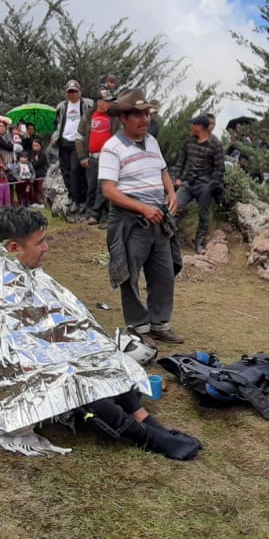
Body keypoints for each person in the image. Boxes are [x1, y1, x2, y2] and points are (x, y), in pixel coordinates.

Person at [0, 208, 202, 460]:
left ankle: (146, 420)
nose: (46, 248)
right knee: (74, 379)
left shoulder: (20, 267)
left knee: (101, 354)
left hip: (34, 350)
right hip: (0, 376)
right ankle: (146, 438)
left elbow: (52, 316)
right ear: (13, 248)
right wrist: (58, 356)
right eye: (40, 242)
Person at [99, 88, 184, 349]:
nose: (144, 119)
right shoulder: (112, 147)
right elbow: (109, 189)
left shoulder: (152, 142)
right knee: (130, 276)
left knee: (164, 273)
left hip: (159, 217)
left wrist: (171, 193)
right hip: (130, 221)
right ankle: (139, 327)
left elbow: (163, 171)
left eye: (147, 114)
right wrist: (142, 208)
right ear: (124, 118)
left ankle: (159, 324)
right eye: (138, 114)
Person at [174, 114, 224, 253]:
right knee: (174, 207)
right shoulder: (189, 142)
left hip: (205, 184)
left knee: (203, 215)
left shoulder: (215, 145)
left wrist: (211, 187)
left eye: (193, 124)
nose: (191, 127)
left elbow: (220, 170)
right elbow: (181, 161)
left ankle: (199, 244)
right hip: (188, 182)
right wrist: (178, 178)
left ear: (200, 127)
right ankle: (169, 239)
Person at [51, 80, 94, 217]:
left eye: (74, 91)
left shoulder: (88, 104)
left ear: (79, 91)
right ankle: (72, 196)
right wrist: (55, 136)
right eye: (69, 91)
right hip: (64, 140)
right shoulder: (62, 106)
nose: (72, 94)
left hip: (79, 141)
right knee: (66, 171)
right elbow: (58, 123)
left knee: (76, 169)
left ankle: (79, 199)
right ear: (66, 92)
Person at [84, 90, 115, 225]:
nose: (109, 103)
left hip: (107, 156)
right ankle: (90, 212)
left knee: (101, 186)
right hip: (92, 157)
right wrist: (81, 156)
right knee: (91, 186)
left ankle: (95, 214)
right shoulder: (89, 116)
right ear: (99, 102)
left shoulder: (115, 117)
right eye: (106, 101)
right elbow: (80, 136)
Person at [29, 140, 49, 207]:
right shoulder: (31, 153)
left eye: (36, 145)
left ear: (40, 146)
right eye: (33, 146)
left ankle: (43, 202)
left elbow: (35, 164)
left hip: (41, 174)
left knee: (41, 188)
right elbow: (30, 164)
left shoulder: (42, 154)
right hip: (33, 174)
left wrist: (35, 161)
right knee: (34, 189)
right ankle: (35, 202)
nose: (35, 147)